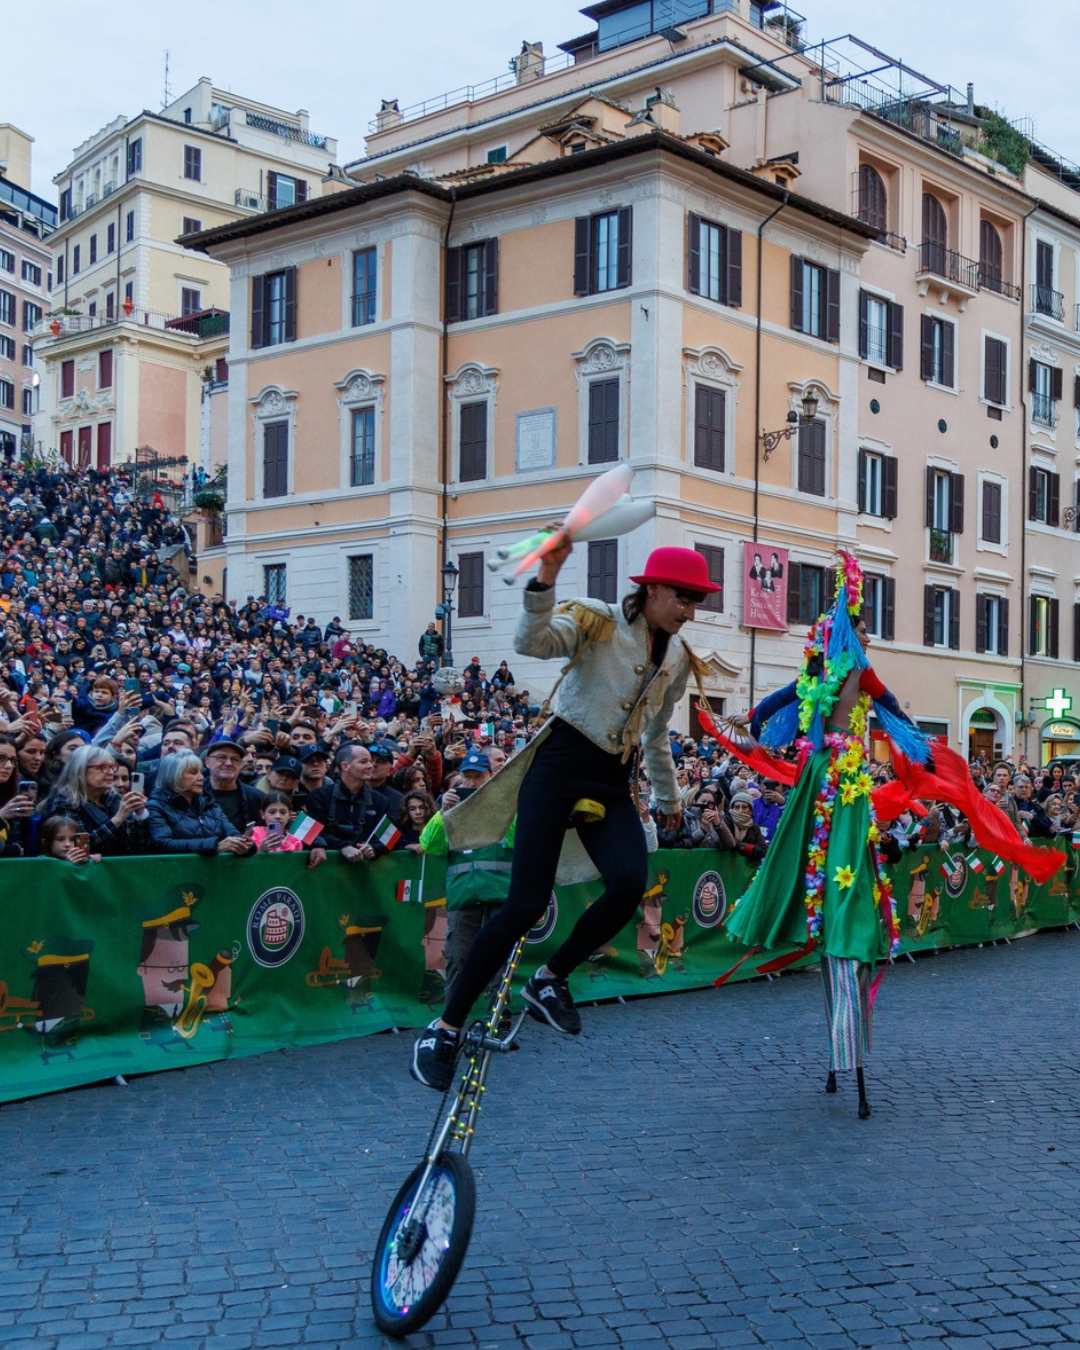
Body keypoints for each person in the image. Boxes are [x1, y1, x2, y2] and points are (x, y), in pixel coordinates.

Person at [410, 543, 719, 1090]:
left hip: (610, 777)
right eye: (682, 597)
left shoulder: (675, 659)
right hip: (557, 765)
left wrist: (670, 802)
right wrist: (543, 582)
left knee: (628, 883)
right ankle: (446, 1026)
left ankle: (551, 979)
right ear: (650, 590)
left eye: (696, 601)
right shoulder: (597, 623)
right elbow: (532, 642)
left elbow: (655, 736)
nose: (689, 609)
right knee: (524, 905)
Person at [42, 744, 150, 857]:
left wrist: (140, 814)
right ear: (80, 770)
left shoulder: (114, 799)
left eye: (112, 767)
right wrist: (117, 819)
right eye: (101, 767)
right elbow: (76, 847)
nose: (110, 772)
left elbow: (138, 848)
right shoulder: (64, 801)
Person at [147, 751, 251, 856]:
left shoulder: (209, 804)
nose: (201, 777)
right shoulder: (156, 806)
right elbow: (163, 843)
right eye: (193, 772)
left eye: (201, 772)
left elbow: (233, 833)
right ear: (173, 776)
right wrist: (215, 846)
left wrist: (244, 844)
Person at [305, 743, 393, 866]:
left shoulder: (381, 801)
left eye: (370, 762)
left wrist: (374, 848)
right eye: (363, 762)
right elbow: (306, 831)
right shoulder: (319, 796)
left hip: (365, 874)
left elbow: (390, 837)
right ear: (345, 766)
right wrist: (342, 846)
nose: (370, 766)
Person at [203, 738, 264, 833]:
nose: (228, 763)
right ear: (207, 762)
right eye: (221, 757)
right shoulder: (193, 794)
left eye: (235, 759)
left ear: (241, 764)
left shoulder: (256, 798)